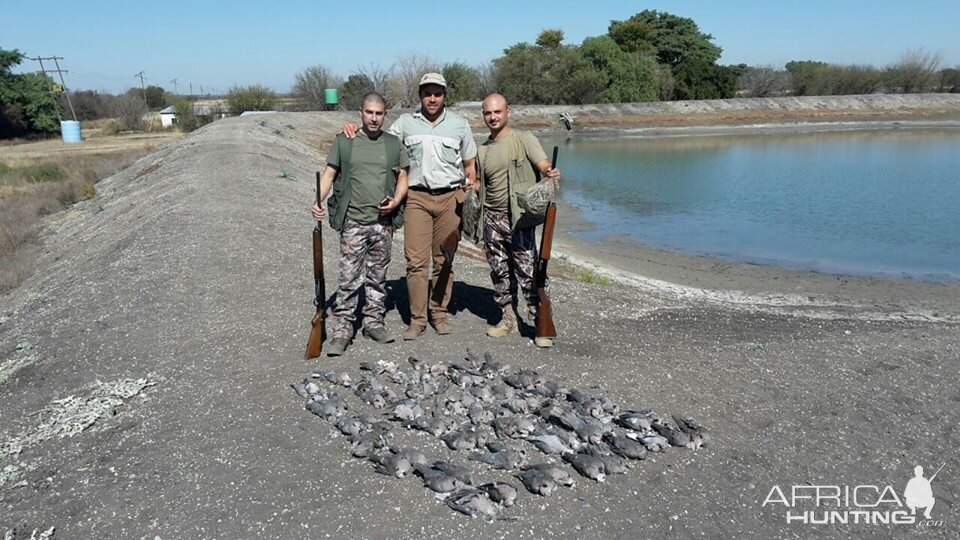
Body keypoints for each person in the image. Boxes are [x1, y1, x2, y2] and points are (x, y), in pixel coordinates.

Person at [342, 73, 477, 340]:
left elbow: (470, 166)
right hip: (416, 198)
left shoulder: (460, 125)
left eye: (437, 93)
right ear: (420, 96)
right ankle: (417, 320)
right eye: (427, 93)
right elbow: (378, 139)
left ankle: (438, 313)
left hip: (451, 198)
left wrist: (471, 189)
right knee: (416, 262)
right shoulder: (404, 123)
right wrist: (351, 130)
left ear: (444, 96)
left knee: (444, 259)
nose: (432, 98)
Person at [311, 92, 408, 356]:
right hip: (353, 222)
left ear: (385, 115)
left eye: (379, 113)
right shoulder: (345, 141)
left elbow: (403, 177)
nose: (374, 118)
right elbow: (330, 174)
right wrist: (317, 200)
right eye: (369, 112)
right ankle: (342, 330)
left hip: (382, 223)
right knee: (349, 279)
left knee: (378, 278)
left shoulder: (393, 144)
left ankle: (373, 324)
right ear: (360, 112)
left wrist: (397, 200)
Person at [471, 93, 560, 348]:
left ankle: (539, 324)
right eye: (488, 113)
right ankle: (507, 318)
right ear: (483, 115)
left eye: (497, 111)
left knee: (529, 273)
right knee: (500, 272)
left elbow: (543, 165)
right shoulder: (482, 149)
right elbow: (479, 184)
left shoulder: (524, 139)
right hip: (491, 219)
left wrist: (549, 171)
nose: (493, 117)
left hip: (518, 219)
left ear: (508, 112)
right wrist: (469, 187)